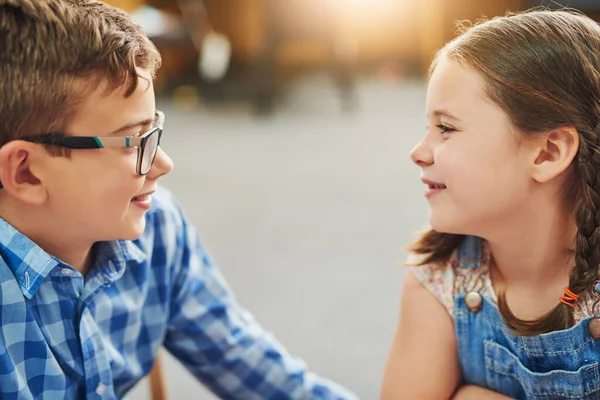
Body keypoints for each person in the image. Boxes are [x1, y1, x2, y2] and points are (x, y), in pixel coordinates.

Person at [0, 1, 357, 399]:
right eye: (133, 142)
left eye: (155, 132)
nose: (164, 164)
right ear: (26, 172)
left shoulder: (156, 226)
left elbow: (246, 361)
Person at [382, 9, 600, 400]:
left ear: (548, 153)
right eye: (427, 127)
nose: (418, 152)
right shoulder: (438, 280)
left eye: (446, 128)